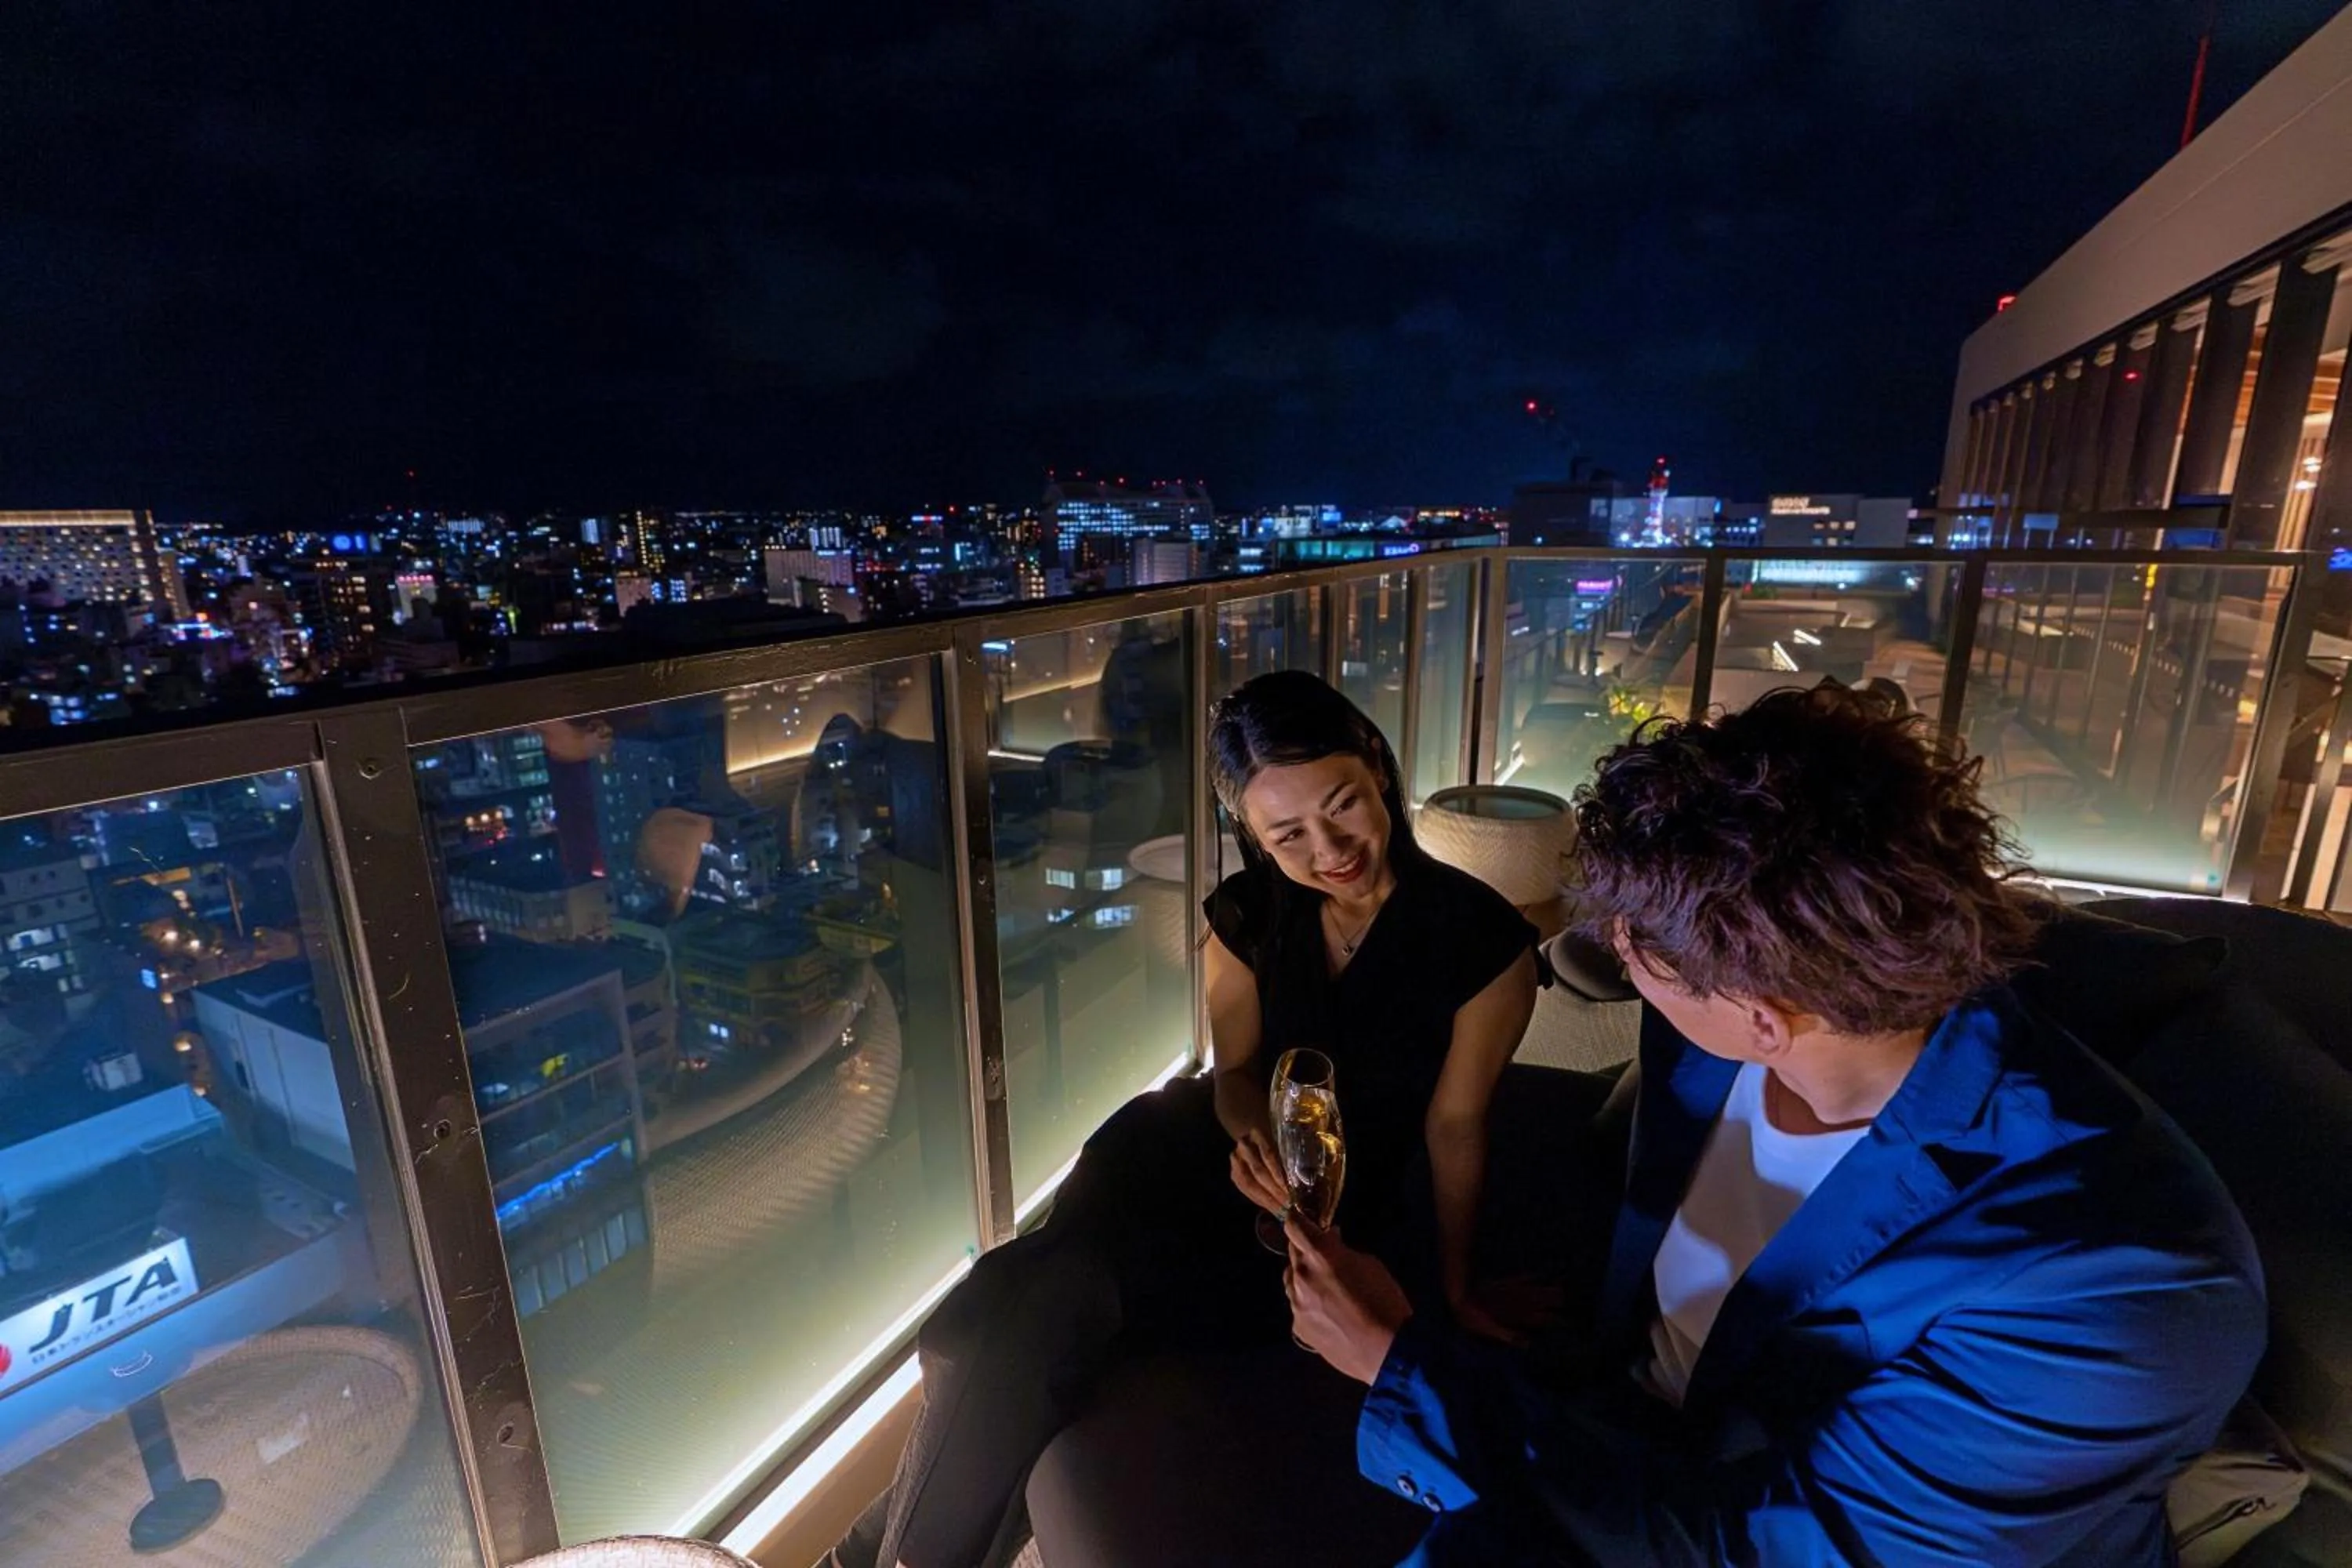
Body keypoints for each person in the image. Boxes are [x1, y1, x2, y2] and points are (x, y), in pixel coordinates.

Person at [1284, 681, 2266, 1566]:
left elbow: (1768, 1547)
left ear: (1761, 1010)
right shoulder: (1731, 1026)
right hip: (1625, 1440)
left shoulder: (2125, 1285)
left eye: (1637, 953)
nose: (1619, 959)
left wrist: (1399, 1362)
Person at [836, 670, 1544, 1568]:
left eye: (1344, 808)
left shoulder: (1482, 943)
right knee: (1020, 1306)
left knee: (1021, 1318)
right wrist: (1254, 1133)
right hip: (1179, 1160)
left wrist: (1451, 1292)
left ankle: (872, 1553)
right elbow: (1235, 1071)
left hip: (1310, 1218)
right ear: (1251, 832)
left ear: (1376, 762)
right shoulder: (1249, 913)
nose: (1328, 849)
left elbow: (1456, 1129)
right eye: (1287, 834)